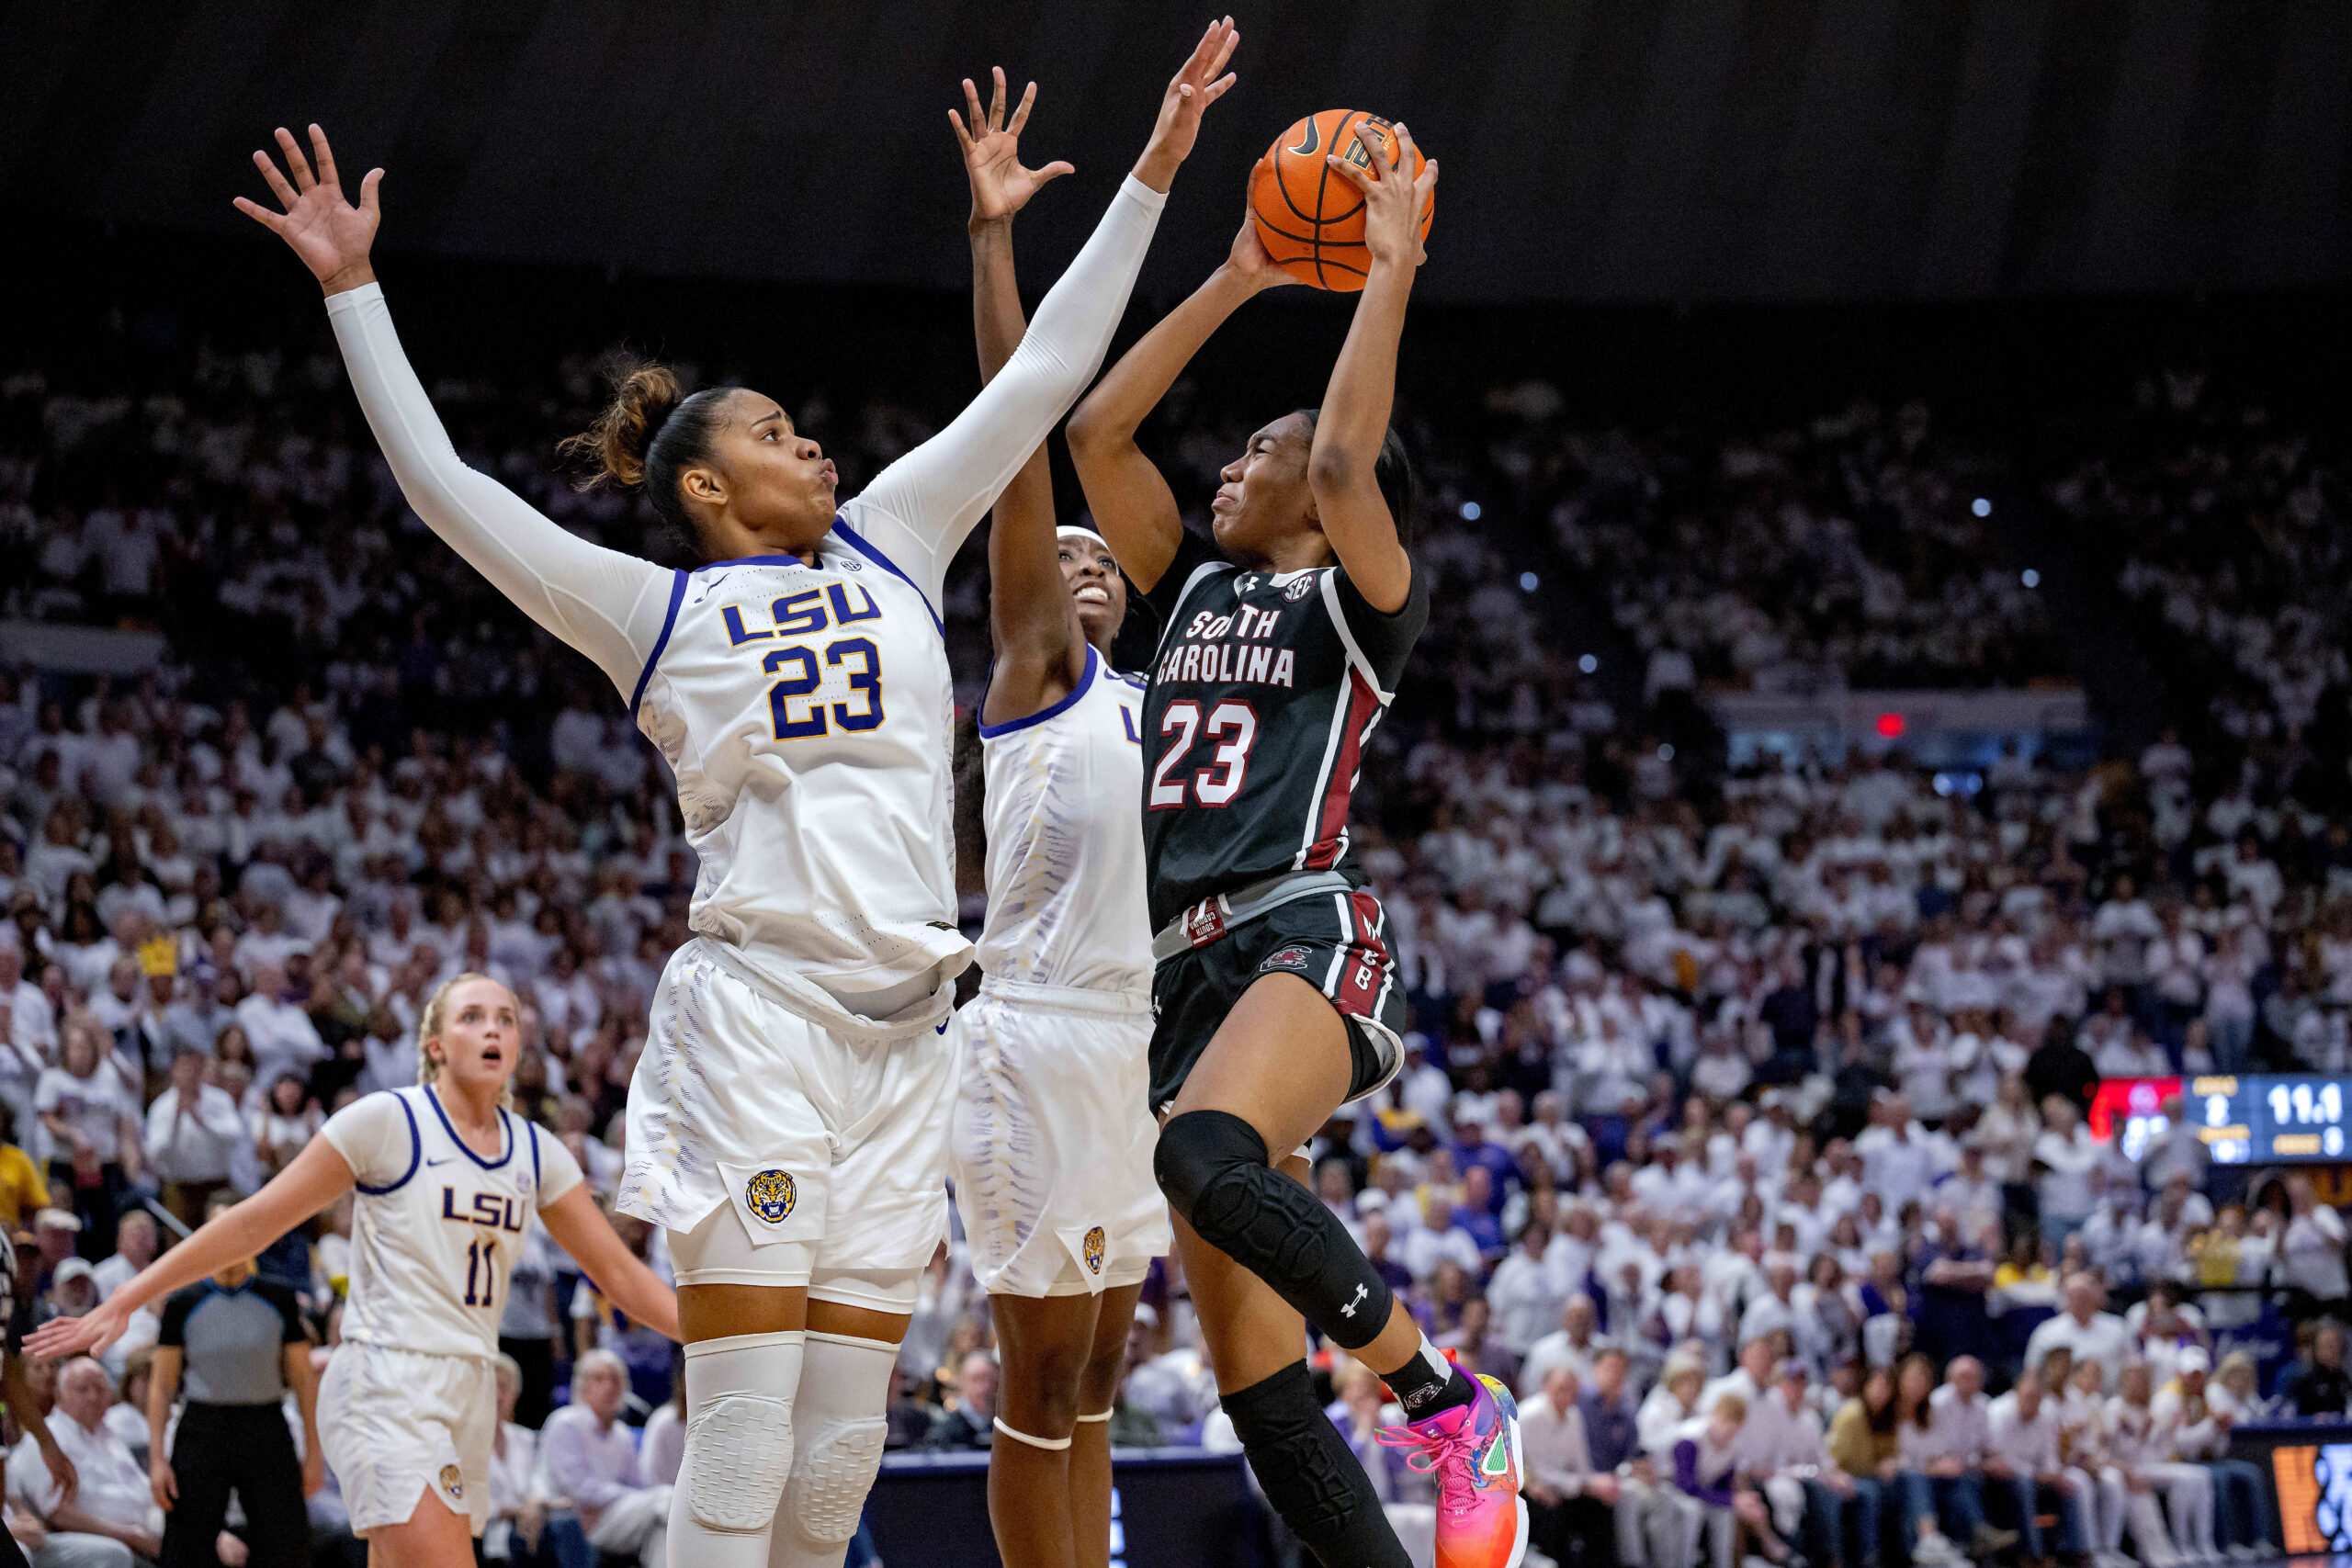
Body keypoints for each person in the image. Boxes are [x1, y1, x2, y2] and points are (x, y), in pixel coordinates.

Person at [223, 29, 1234, 1565]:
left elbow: (1042, 375)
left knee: (834, 1472)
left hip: (908, 1043)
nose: (812, 440)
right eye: (772, 433)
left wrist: (1154, 164)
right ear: (705, 490)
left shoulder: (898, 532)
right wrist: (354, 290)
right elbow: (444, 488)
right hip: (757, 1023)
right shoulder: (652, 613)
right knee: (748, 1438)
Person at [1069, 105, 1502, 1568]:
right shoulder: (1187, 590)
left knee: (1202, 1150)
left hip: (1299, 928)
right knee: (1261, 1395)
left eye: (1256, 451)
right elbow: (1094, 429)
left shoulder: (1356, 596)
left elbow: (1338, 470)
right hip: (1179, 976)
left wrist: (1385, 270)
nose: (1226, 471)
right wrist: (1244, 273)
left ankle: (1447, 1404)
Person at [29, 975, 675, 1568]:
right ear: (435, 1045)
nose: (492, 1029)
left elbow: (619, 1275)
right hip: (385, 1377)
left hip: (470, 1383)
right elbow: (254, 1220)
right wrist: (129, 1295)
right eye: (472, 1016)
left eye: (506, 1018)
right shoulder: (389, 1122)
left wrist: (727, 1334)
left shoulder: (539, 1151)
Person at [943, 69, 1174, 1568]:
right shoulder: (1036, 665)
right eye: (1060, 555)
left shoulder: (1157, 705)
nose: (1081, 563)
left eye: (1103, 560)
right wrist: (994, 248)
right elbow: (1022, 435)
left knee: (1098, 1370)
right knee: (1036, 1372)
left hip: (1136, 1044)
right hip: (1028, 1029)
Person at [144, 1196, 320, 1568]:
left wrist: (315, 1454)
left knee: (287, 1547)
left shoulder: (279, 1297)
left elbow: (304, 1380)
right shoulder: (182, 1302)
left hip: (267, 1427)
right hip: (202, 1429)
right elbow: (161, 1385)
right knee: (185, 1548)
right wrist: (157, 1459)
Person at [9, 1356, 162, 1566]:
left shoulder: (109, 1434)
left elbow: (144, 1490)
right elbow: (59, 1515)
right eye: (82, 1389)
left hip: (148, 1531)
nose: (93, 1397)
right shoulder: (46, 1439)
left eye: (100, 1389)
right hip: (108, 1545)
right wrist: (130, 1537)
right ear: (59, 1395)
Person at [540, 1351, 671, 1568]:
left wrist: (633, 1498)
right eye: (599, 1379)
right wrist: (632, 1497)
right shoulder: (566, 1423)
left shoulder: (622, 1433)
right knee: (667, 1499)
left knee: (663, 1531)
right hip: (580, 1521)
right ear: (583, 1386)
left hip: (616, 1515)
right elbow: (580, 1489)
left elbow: (637, 1483)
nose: (609, 1386)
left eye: (615, 1379)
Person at [1517, 1365, 1616, 1568]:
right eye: (1562, 1388)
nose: (1568, 1395)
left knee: (1602, 1505)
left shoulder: (1574, 1416)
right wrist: (1584, 1484)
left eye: (1572, 1389)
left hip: (1564, 1486)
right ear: (1545, 1387)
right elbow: (1538, 1470)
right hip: (1528, 1488)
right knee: (1552, 1510)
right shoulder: (1528, 1416)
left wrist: (1594, 1484)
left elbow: (1581, 1465)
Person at [1984, 1368, 2085, 1564]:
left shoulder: (2045, 1416)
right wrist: (2039, 1475)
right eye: (2028, 1396)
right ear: (2016, 1393)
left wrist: (2054, 1475)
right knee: (2024, 1483)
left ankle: (2076, 1552)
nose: (2032, 1401)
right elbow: (2000, 1460)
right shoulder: (1999, 1412)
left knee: (2070, 1486)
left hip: (2034, 1476)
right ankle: (2032, 1554)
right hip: (2001, 1479)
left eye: (2037, 1398)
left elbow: (2049, 1459)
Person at [1827, 1365, 1898, 1568]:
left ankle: (1903, 1554)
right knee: (1870, 1493)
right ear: (1865, 1386)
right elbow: (1847, 1461)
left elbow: (1892, 1453)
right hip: (1842, 1474)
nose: (1880, 1391)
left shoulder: (1886, 1416)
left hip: (1869, 1474)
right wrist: (1880, 1467)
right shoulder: (1852, 1415)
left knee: (1900, 1484)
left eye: (1885, 1387)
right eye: (1876, 1386)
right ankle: (1870, 1557)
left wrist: (1891, 1463)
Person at [2275, 1319, 2352, 1416]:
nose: (2335, 1350)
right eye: (2329, 1346)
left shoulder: (2345, 1380)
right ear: (2317, 1350)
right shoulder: (2303, 1381)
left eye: (2337, 1345)